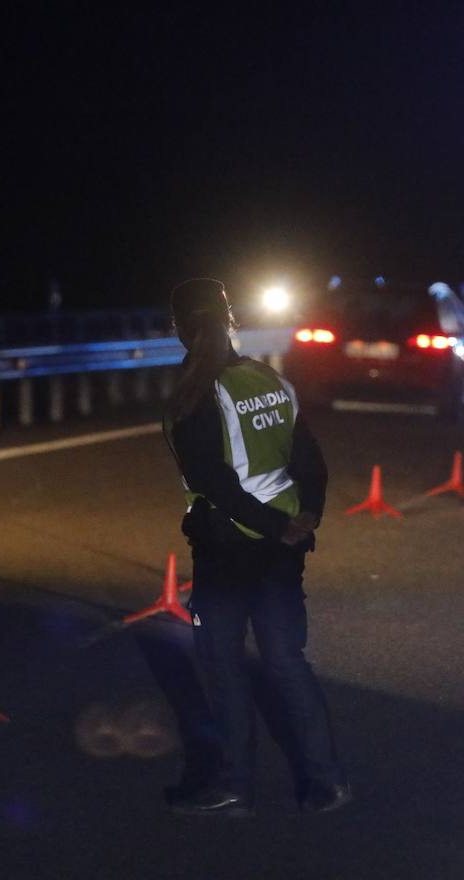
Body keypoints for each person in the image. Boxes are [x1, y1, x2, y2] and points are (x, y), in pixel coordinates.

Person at [162, 277, 348, 817]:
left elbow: (213, 481)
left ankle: (233, 785)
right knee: (287, 662)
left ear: (178, 327)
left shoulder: (193, 395)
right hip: (282, 547)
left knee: (222, 666)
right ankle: (328, 782)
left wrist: (269, 525)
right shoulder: (270, 380)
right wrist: (303, 518)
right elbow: (311, 461)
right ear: (229, 320)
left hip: (227, 548)